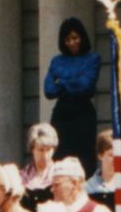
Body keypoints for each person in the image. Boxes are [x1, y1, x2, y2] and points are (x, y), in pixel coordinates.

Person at [43, 17, 103, 178]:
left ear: (82, 38)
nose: (72, 42)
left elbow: (86, 86)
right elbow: (49, 90)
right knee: (59, 159)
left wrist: (61, 81)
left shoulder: (93, 59)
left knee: (84, 161)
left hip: (83, 116)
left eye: (75, 38)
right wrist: (73, 82)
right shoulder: (57, 60)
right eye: (68, 39)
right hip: (61, 116)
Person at [21, 124, 62, 193]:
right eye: (41, 150)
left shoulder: (60, 175)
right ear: (32, 149)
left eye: (48, 150)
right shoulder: (22, 176)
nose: (45, 155)